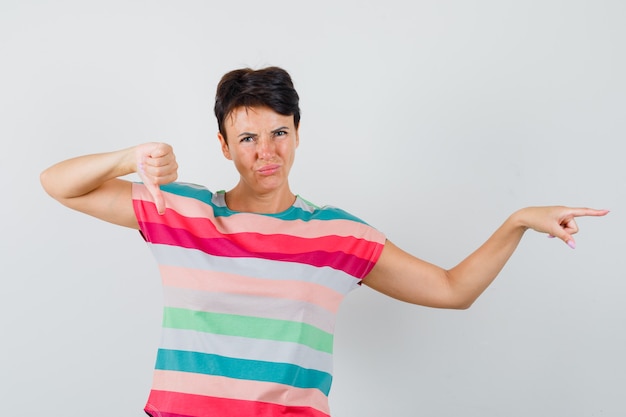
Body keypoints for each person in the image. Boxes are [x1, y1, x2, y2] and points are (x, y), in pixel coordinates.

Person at [40, 66, 608, 417]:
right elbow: (57, 185)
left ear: (297, 134)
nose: (266, 150)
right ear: (223, 146)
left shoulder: (337, 233)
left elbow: (451, 288)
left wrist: (517, 221)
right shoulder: (179, 209)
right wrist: (128, 157)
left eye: (279, 132)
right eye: (247, 137)